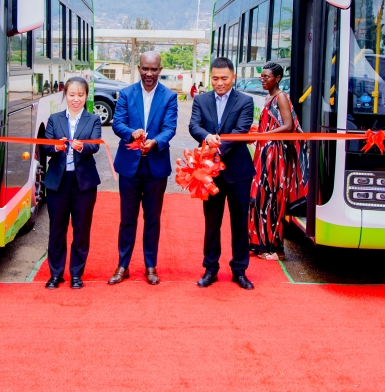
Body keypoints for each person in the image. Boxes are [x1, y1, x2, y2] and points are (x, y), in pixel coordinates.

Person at [109, 51, 178, 286]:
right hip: (129, 167)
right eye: (145, 69)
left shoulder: (169, 96)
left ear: (160, 70)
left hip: (156, 167)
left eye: (154, 69)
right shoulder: (127, 94)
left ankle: (150, 266)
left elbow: (170, 127)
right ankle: (123, 265)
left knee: (152, 219)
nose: (149, 73)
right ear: (138, 68)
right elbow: (117, 123)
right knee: (127, 219)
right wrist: (132, 133)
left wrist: (156, 141)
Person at [189, 56, 256, 290]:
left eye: (224, 78)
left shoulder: (245, 101)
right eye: (215, 78)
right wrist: (206, 137)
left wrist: (219, 147)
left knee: (239, 223)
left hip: (238, 172)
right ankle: (210, 268)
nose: (219, 83)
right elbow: (194, 126)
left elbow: (242, 129)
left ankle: (240, 270)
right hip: (209, 174)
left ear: (233, 78)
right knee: (212, 222)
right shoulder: (201, 100)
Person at [40, 77, 103, 289]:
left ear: (86, 97)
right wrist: (56, 147)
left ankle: (77, 274)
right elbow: (45, 147)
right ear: (65, 95)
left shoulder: (93, 119)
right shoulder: (54, 119)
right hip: (58, 182)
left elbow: (95, 146)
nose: (76, 99)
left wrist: (81, 146)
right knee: (57, 230)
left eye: (80, 95)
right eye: (72, 95)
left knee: (81, 230)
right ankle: (55, 274)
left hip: (83, 183)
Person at [248, 62, 308, 260]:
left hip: (276, 155)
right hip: (265, 151)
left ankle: (274, 248)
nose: (263, 79)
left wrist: (264, 135)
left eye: (267, 76)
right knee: (260, 198)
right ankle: (260, 243)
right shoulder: (268, 97)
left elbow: (288, 126)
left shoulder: (281, 97)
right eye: (262, 76)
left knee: (272, 199)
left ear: (278, 78)